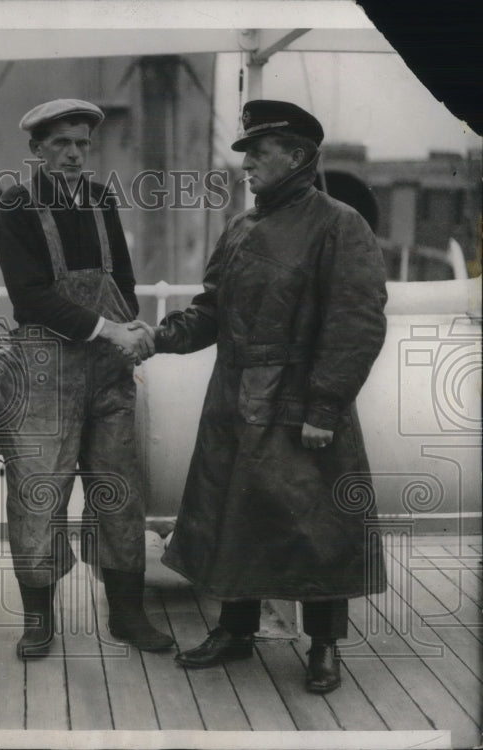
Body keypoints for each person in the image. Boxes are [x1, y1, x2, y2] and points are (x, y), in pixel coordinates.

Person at [150, 100, 388, 694]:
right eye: (246, 152)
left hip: (300, 403)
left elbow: (355, 324)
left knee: (319, 527)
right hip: (234, 400)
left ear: (299, 156)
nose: (246, 163)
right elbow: (212, 309)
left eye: (259, 151)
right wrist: (160, 336)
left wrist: (325, 408)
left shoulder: (340, 224)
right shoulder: (241, 228)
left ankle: (325, 646)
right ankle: (235, 631)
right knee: (237, 515)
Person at [0, 98, 173, 659]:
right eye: (61, 143)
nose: (73, 153)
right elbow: (30, 297)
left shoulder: (99, 200)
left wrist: (131, 329)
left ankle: (127, 615)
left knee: (119, 491)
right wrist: (107, 330)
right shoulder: (14, 208)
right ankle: (39, 620)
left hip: (108, 372)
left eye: (82, 144)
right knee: (39, 492)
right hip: (44, 370)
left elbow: (125, 278)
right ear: (36, 150)